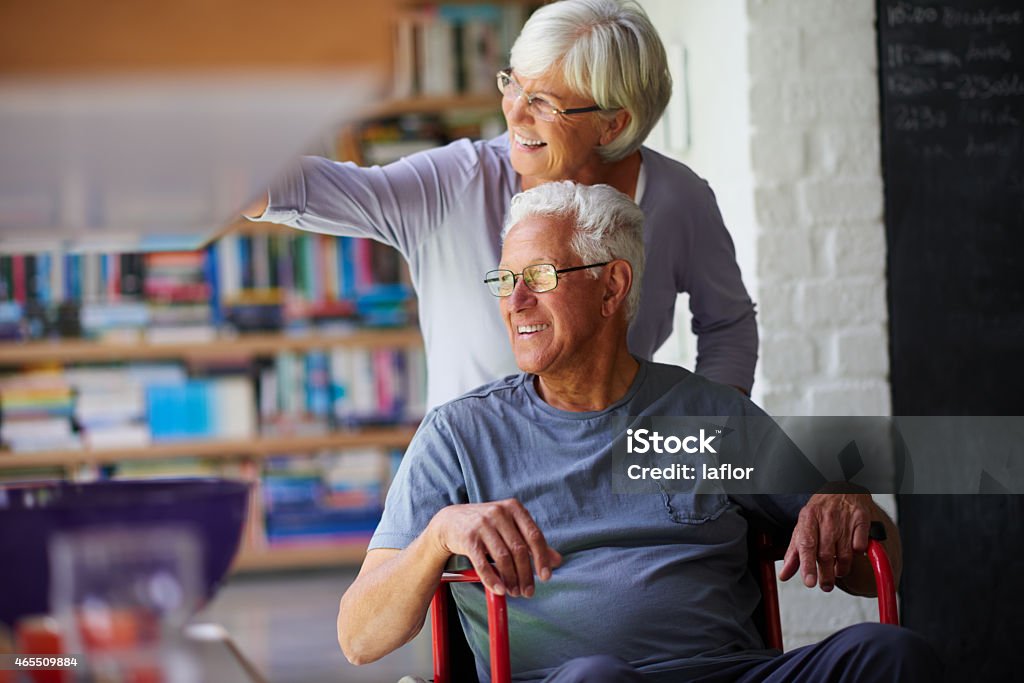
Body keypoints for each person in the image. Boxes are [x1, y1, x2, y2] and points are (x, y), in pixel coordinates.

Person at [335, 182, 939, 682]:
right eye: (504, 279)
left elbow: (879, 568)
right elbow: (359, 638)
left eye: (540, 277)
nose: (515, 300)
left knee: (890, 655)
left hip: (728, 672)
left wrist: (851, 503)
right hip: (573, 682)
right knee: (596, 680)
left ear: (612, 286)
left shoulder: (707, 414)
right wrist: (438, 535)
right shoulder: (460, 435)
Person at [245, 0, 757, 408]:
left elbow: (726, 323)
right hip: (473, 494)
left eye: (543, 102)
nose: (513, 112)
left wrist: (707, 441)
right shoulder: (455, 182)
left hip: (614, 481)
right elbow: (303, 189)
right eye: (512, 83)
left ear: (614, 123)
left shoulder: (678, 198)